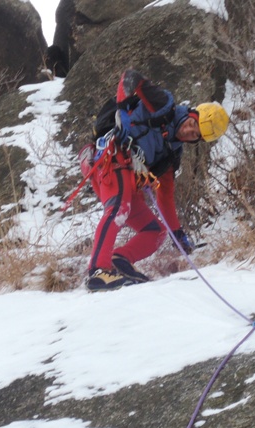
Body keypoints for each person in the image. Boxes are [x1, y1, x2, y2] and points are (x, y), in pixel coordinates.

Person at [85, 69, 229, 292]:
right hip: (111, 159)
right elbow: (130, 77)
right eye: (192, 124)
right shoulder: (163, 105)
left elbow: (165, 196)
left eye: (195, 135)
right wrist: (122, 112)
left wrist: (177, 234)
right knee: (118, 209)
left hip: (126, 179)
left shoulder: (171, 154)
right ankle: (98, 270)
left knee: (156, 231)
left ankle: (120, 259)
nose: (189, 131)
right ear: (192, 114)